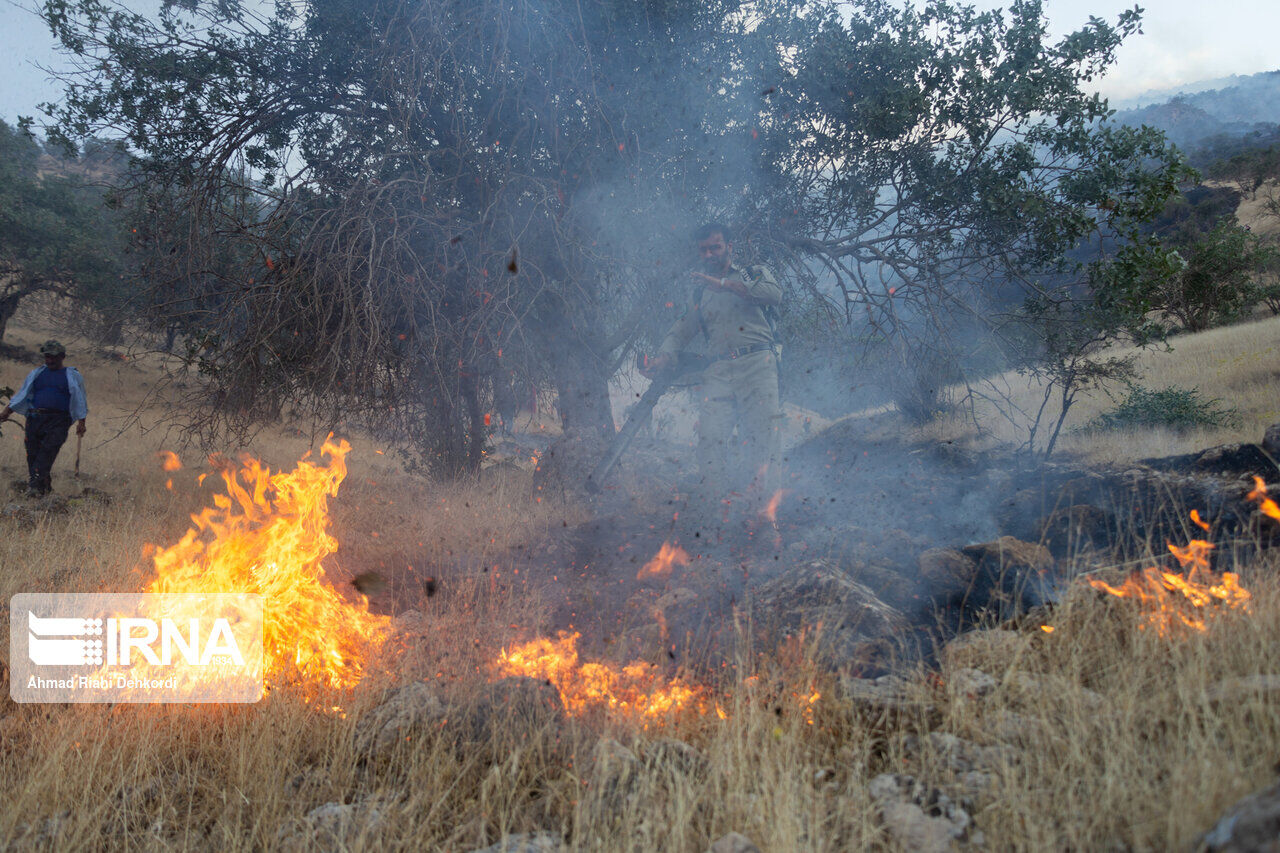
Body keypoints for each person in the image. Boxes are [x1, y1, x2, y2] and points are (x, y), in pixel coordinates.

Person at [645, 222, 783, 511]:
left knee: (763, 442)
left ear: (729, 247)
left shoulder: (751, 274)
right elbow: (682, 328)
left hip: (757, 364)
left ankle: (764, 519)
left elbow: (773, 294)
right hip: (719, 371)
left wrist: (721, 284)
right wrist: (664, 356)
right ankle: (712, 516)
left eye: (715, 247)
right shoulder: (699, 294)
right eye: (703, 250)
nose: (709, 254)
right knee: (709, 441)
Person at [0, 340, 89, 497]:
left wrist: (81, 423)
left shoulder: (72, 376)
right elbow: (22, 395)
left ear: (62, 357)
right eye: (47, 357)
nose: (50, 360)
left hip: (59, 421)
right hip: (34, 418)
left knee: (47, 452)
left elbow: (80, 399)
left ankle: (33, 488)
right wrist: (6, 412)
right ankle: (44, 490)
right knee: (32, 455)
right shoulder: (37, 373)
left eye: (53, 357)